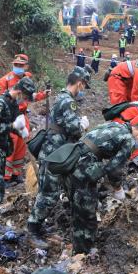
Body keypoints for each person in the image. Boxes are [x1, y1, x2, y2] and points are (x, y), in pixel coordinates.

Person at [64, 120, 138, 253]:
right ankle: (83, 252)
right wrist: (118, 189)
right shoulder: (129, 140)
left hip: (70, 160)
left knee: (77, 209)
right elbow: (113, 169)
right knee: (88, 213)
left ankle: (77, 246)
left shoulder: (115, 125)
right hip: (83, 170)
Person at [27, 68, 91, 248]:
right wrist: (82, 125)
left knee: (51, 190)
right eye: (84, 85)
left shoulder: (61, 97)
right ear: (80, 83)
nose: (83, 89)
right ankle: (32, 229)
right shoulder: (68, 101)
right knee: (49, 193)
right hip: (54, 153)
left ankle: (38, 227)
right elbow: (74, 129)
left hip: (55, 151)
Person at [0, 78, 35, 233]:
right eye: (24, 97)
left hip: (1, 146)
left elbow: (15, 122)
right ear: (19, 92)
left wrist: (21, 131)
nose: (24, 100)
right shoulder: (0, 103)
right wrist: (12, 126)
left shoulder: (13, 103)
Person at [0, 54, 50, 185]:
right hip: (10, 116)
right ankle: (5, 177)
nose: (18, 67)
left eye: (21, 65)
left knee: (22, 145)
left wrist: (43, 95)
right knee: (10, 145)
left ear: (26, 66)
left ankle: (16, 173)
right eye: (16, 65)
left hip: (23, 115)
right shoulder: (5, 80)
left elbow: (30, 97)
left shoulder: (26, 79)